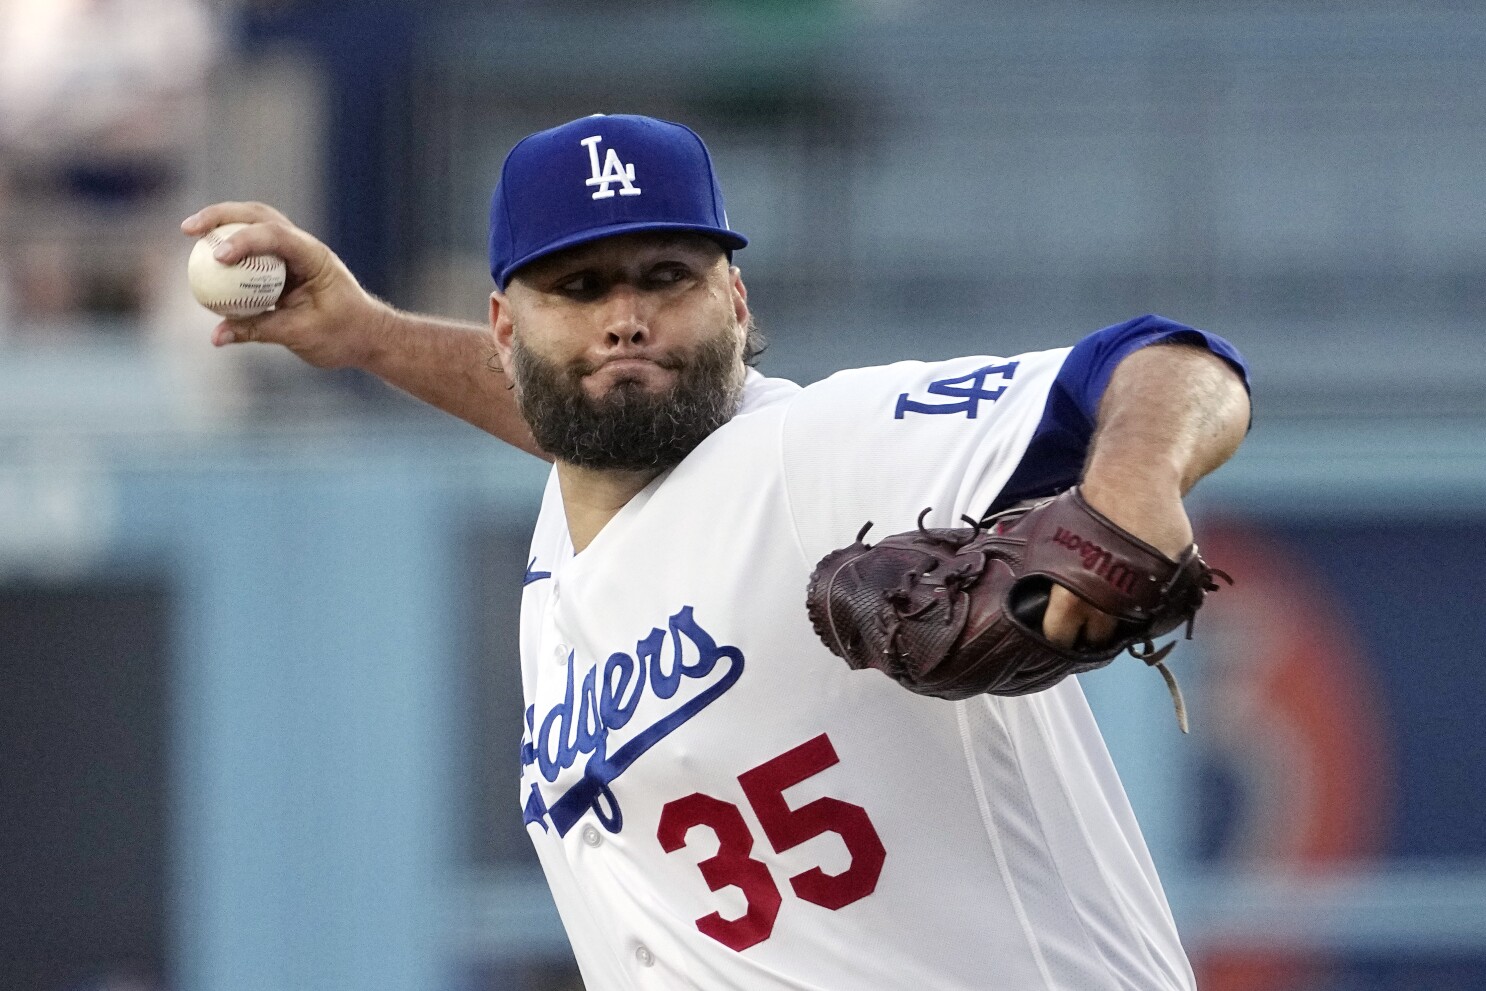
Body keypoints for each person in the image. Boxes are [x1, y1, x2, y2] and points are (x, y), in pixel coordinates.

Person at [183, 113, 1250, 990]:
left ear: (735, 303)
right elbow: (577, 411)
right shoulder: (584, 510)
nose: (629, 319)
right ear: (505, 327)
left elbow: (1160, 362)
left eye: (667, 274)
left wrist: (1135, 479)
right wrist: (365, 332)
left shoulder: (816, 456)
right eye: (581, 287)